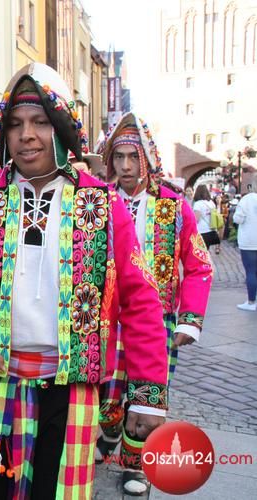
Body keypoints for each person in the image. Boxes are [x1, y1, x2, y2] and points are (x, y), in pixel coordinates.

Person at [0, 63, 169, 499]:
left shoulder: (102, 204)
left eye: (39, 122)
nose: (27, 135)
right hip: (0, 385)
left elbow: (141, 299)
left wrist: (148, 394)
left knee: (55, 492)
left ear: (61, 128)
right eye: (15, 124)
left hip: (71, 394)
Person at [96, 112, 213, 495]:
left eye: (134, 157)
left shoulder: (174, 207)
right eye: (118, 157)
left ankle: (136, 465)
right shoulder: (97, 204)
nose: (126, 166)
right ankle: (111, 433)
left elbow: (198, 265)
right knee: (106, 400)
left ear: (147, 159)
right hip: (106, 320)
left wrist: (189, 319)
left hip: (156, 322)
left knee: (146, 401)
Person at [234, 188, 257, 311]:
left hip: (249, 241)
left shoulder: (246, 200)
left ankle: (251, 301)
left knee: (251, 271)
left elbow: (238, 219)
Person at [193, 184, 220, 249]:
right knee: (207, 250)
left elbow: (196, 219)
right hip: (211, 230)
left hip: (201, 231)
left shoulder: (198, 204)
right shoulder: (211, 203)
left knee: (201, 252)